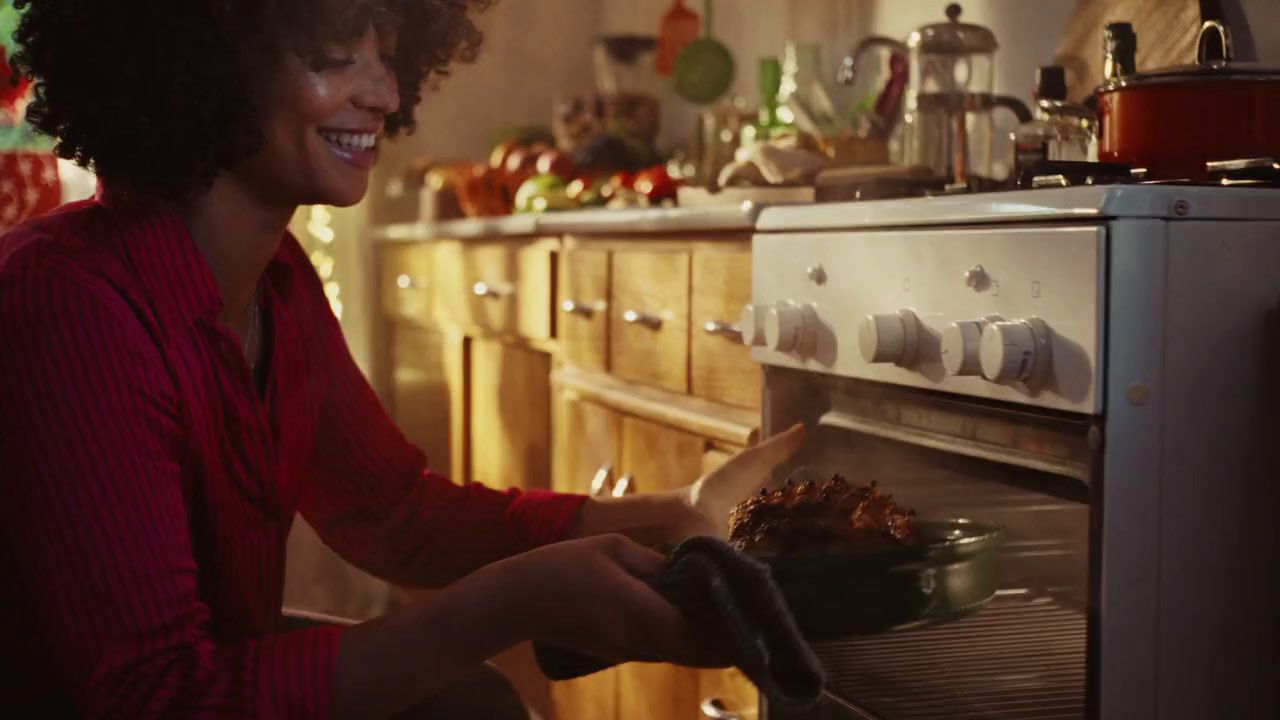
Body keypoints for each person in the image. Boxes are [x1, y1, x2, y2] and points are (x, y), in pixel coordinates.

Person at [0, 1, 806, 718]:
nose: (385, 93)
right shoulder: (68, 301)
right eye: (333, 56)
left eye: (387, 54)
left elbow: (394, 518)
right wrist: (510, 604)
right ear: (202, 63)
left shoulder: (280, 283)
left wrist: (676, 512)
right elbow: (157, 695)